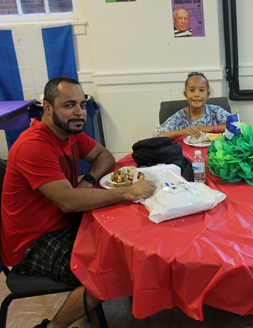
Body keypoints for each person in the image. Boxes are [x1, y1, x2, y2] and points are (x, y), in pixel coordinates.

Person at [0, 76, 156, 328]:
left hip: (63, 223)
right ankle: (53, 326)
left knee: (127, 238)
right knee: (112, 267)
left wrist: (89, 179)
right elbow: (68, 202)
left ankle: (89, 306)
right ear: (48, 108)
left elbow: (104, 155)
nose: (79, 112)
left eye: (82, 105)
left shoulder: (69, 132)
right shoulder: (34, 145)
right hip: (31, 243)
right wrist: (127, 192)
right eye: (69, 105)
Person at [158, 72, 230, 139]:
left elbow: (238, 124)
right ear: (185, 94)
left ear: (208, 95)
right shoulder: (180, 117)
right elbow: (158, 135)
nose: (196, 94)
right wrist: (182, 132)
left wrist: (211, 128)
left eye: (201, 90)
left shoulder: (215, 111)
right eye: (192, 90)